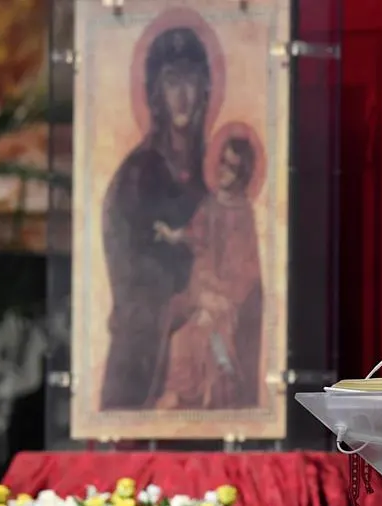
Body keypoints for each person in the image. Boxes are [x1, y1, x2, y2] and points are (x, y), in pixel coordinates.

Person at [99, 27, 211, 410]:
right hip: (149, 340)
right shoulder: (138, 174)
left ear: (205, 88)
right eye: (171, 81)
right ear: (156, 94)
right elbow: (130, 267)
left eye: (191, 80)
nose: (183, 95)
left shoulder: (218, 167)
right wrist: (177, 294)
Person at [149, 135, 263, 409]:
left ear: (243, 174)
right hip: (201, 289)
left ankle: (205, 391)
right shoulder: (211, 204)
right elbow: (194, 234)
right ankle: (176, 391)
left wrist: (220, 294)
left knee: (193, 335)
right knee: (173, 320)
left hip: (228, 298)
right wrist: (172, 235)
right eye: (222, 162)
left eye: (233, 167)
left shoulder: (243, 212)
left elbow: (245, 267)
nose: (224, 171)